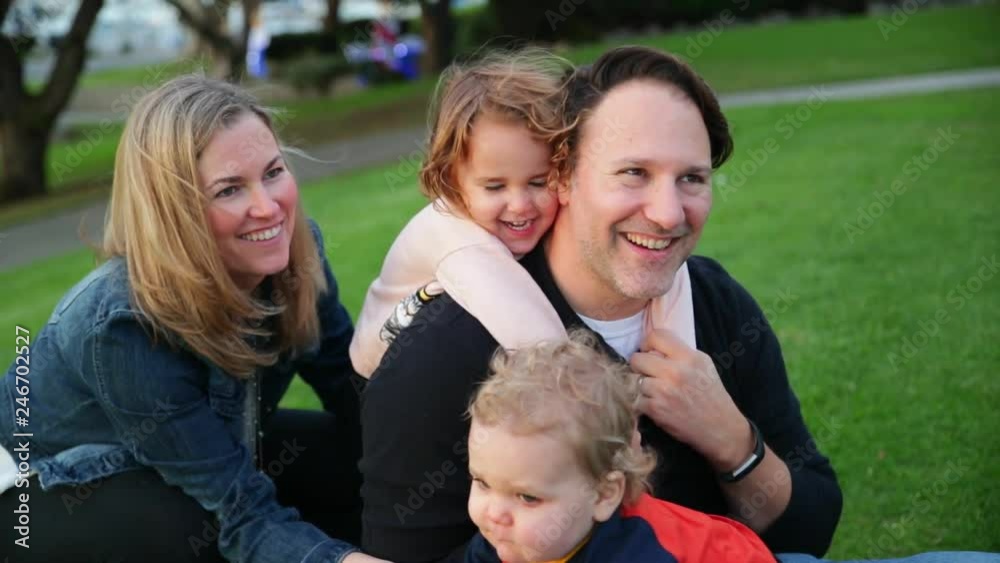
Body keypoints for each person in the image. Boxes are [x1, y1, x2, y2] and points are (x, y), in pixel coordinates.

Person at [358, 46, 999, 563]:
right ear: (562, 176)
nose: (668, 214)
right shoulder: (445, 344)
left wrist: (732, 442)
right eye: (633, 173)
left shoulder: (714, 304)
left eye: (691, 178)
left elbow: (809, 533)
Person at [0, 76, 387, 563]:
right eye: (229, 190)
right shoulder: (122, 326)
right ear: (174, 212)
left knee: (358, 461)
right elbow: (238, 513)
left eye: (273, 172)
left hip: (186, 451)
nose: (267, 208)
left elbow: (354, 393)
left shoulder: (294, 252)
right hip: (32, 495)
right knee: (190, 526)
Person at [350, 49, 694, 380]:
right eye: (495, 187)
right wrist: (611, 406)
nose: (520, 205)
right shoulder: (457, 240)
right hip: (380, 366)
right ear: (452, 180)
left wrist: (677, 362)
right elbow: (537, 342)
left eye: (538, 181)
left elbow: (673, 279)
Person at [463, 331, 776, 563]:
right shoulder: (502, 540)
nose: (494, 513)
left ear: (603, 494)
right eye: (482, 483)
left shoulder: (644, 554)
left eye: (528, 498)